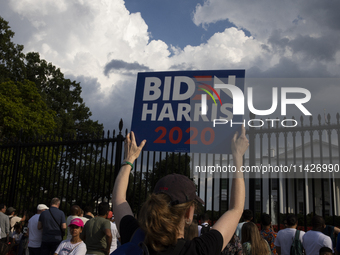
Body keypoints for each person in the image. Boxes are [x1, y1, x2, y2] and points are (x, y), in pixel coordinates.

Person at [112, 127, 249, 254]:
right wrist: (238, 156)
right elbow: (236, 209)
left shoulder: (135, 238)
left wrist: (129, 160)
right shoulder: (199, 250)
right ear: (188, 213)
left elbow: (119, 199)